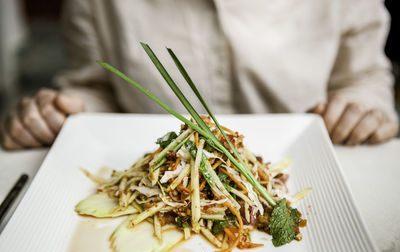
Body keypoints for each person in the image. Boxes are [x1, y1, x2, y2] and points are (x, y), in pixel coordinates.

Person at [1, 0, 398, 150]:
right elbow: (95, 86)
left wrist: (362, 110)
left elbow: (364, 78)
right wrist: (61, 116)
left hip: (303, 171)